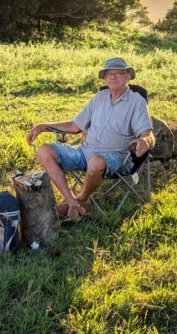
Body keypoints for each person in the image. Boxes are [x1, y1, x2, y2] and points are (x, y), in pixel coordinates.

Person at [27, 57, 155, 221]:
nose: (113, 77)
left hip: (116, 157)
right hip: (85, 151)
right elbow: (75, 126)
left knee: (95, 162)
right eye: (109, 74)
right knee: (44, 150)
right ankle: (72, 202)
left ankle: (80, 200)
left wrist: (145, 141)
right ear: (104, 78)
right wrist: (43, 126)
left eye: (118, 73)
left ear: (128, 77)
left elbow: (147, 133)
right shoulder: (99, 97)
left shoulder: (137, 102)